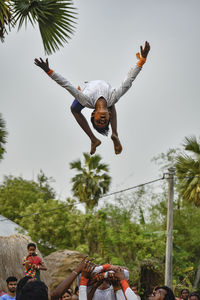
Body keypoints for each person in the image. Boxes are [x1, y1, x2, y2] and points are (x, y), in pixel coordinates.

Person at [34, 41, 150, 155]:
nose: (103, 120)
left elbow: (66, 84)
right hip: (108, 99)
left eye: (99, 121)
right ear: (109, 115)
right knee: (112, 102)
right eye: (105, 121)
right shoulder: (114, 98)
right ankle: (114, 134)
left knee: (74, 109)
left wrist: (49, 71)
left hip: (86, 92)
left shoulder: (85, 100)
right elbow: (129, 80)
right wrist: (142, 60)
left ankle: (94, 139)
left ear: (93, 114)